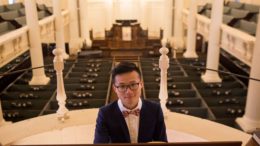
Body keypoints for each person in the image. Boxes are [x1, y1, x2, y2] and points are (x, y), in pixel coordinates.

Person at [94, 61, 167, 143]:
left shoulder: (155, 110)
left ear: (141, 84)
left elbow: (162, 143)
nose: (128, 91)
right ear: (115, 89)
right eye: (122, 86)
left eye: (133, 85)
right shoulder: (105, 113)